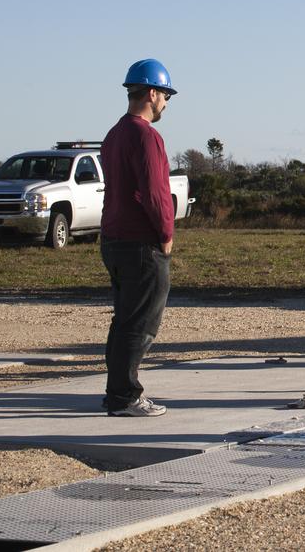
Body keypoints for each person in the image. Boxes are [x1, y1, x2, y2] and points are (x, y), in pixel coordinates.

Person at [99, 58, 177, 417]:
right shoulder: (147, 135)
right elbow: (155, 192)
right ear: (151, 92)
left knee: (124, 319)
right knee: (142, 322)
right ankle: (126, 397)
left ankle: (116, 392)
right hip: (140, 242)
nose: (165, 103)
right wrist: (165, 233)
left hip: (113, 237)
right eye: (165, 95)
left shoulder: (114, 134)